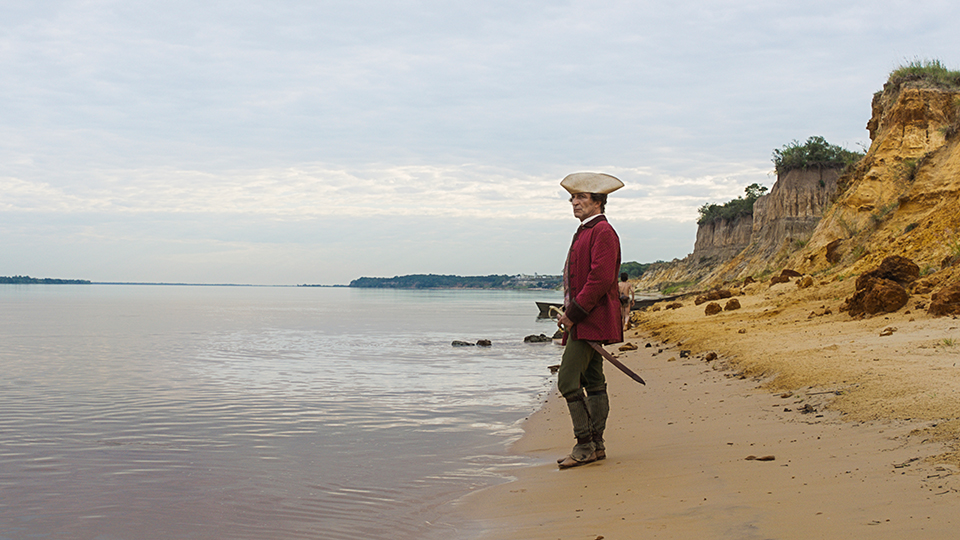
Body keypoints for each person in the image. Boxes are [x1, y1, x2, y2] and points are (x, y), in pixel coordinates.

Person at [555, 172, 624, 469]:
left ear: (599, 201)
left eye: (581, 197)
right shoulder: (584, 231)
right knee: (593, 380)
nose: (574, 202)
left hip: (590, 320)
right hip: (584, 319)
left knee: (568, 381)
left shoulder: (603, 231)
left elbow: (599, 280)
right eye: (573, 197)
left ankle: (584, 445)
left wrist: (572, 315)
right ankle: (596, 445)